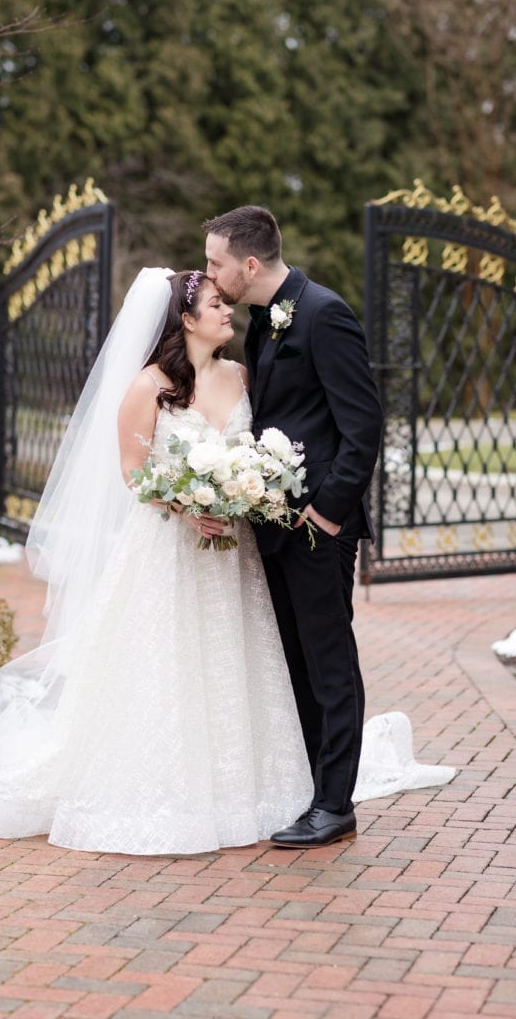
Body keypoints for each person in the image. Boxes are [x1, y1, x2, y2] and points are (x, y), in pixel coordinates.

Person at [0, 266, 455, 857]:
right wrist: (186, 503)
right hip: (169, 548)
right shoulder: (148, 386)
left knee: (243, 660)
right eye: (216, 304)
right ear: (186, 319)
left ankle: (266, 787)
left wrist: (240, 493)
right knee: (167, 662)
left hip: (237, 553)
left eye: (226, 300)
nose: (228, 311)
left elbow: (271, 444)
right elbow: (131, 472)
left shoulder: (243, 374)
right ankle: (172, 786)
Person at [204, 206, 385, 848]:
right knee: (298, 664)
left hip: (318, 527)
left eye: (215, 263)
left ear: (249, 265)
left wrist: (329, 512)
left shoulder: (323, 313)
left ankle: (335, 805)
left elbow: (363, 427)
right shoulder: (264, 320)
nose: (210, 273)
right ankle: (313, 790)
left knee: (330, 663)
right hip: (274, 525)